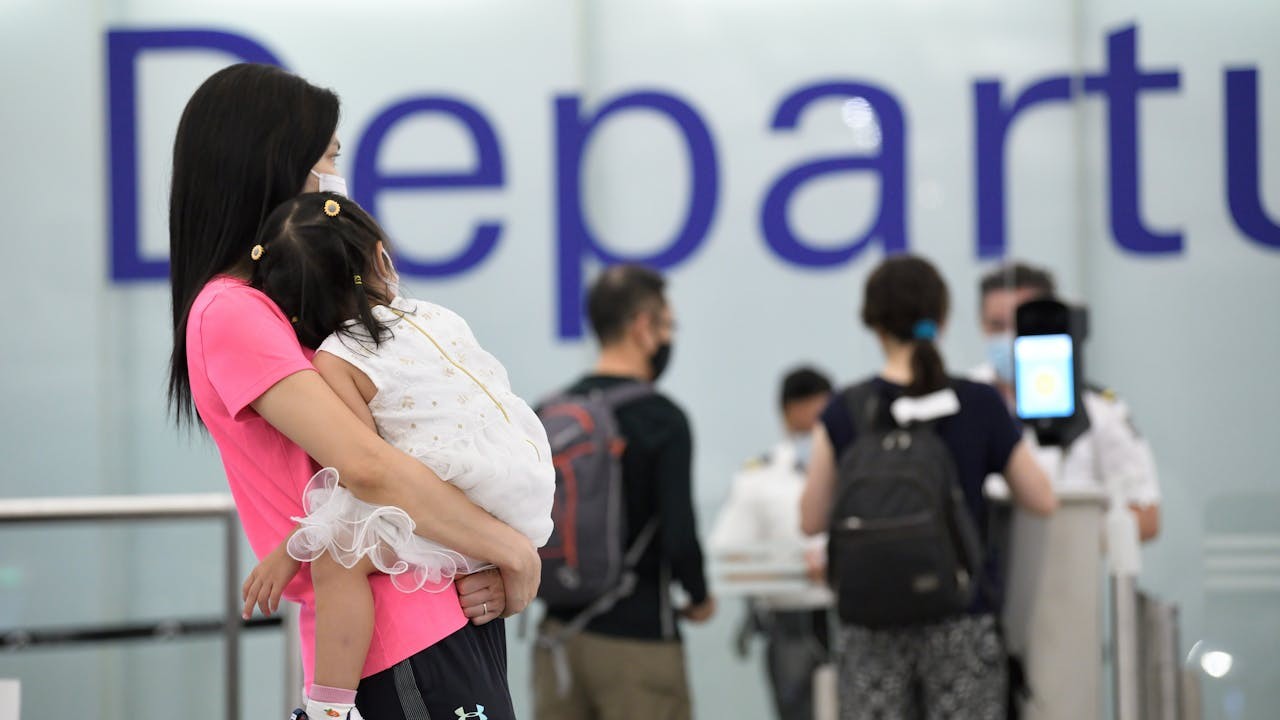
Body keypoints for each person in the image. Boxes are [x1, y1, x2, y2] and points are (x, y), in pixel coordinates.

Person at [169, 63, 538, 720]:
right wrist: (511, 548)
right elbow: (366, 467)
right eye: (328, 159)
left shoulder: (289, 305)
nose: (335, 183)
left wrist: (477, 549)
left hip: (434, 618)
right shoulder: (231, 312)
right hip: (399, 641)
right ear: (273, 165)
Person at [237, 193, 556, 720]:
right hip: (520, 485)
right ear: (381, 257)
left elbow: (363, 476)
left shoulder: (335, 359)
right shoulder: (437, 315)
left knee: (338, 558)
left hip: (458, 492)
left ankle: (329, 708)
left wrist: (293, 546)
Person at [799, 255, 1056, 719]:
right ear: (941, 317)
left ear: (872, 323)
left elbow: (811, 518)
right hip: (960, 616)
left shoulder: (845, 409)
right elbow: (1042, 498)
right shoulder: (977, 403)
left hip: (869, 624)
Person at [533, 264, 715, 720]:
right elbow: (679, 534)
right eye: (667, 325)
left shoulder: (549, 410)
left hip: (557, 637)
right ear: (642, 327)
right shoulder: (662, 418)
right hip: (639, 642)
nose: (669, 338)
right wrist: (699, 597)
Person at [976, 262, 1161, 540]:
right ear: (981, 324)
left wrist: (1070, 537)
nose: (1008, 336)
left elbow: (1146, 516)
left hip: (1069, 573)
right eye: (997, 325)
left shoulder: (1098, 411)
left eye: (1019, 324)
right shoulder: (965, 403)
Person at [709, 366, 836, 720]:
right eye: (809, 416)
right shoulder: (759, 478)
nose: (816, 428)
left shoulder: (855, 468)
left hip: (849, 618)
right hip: (790, 623)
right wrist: (791, 566)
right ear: (787, 411)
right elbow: (727, 553)